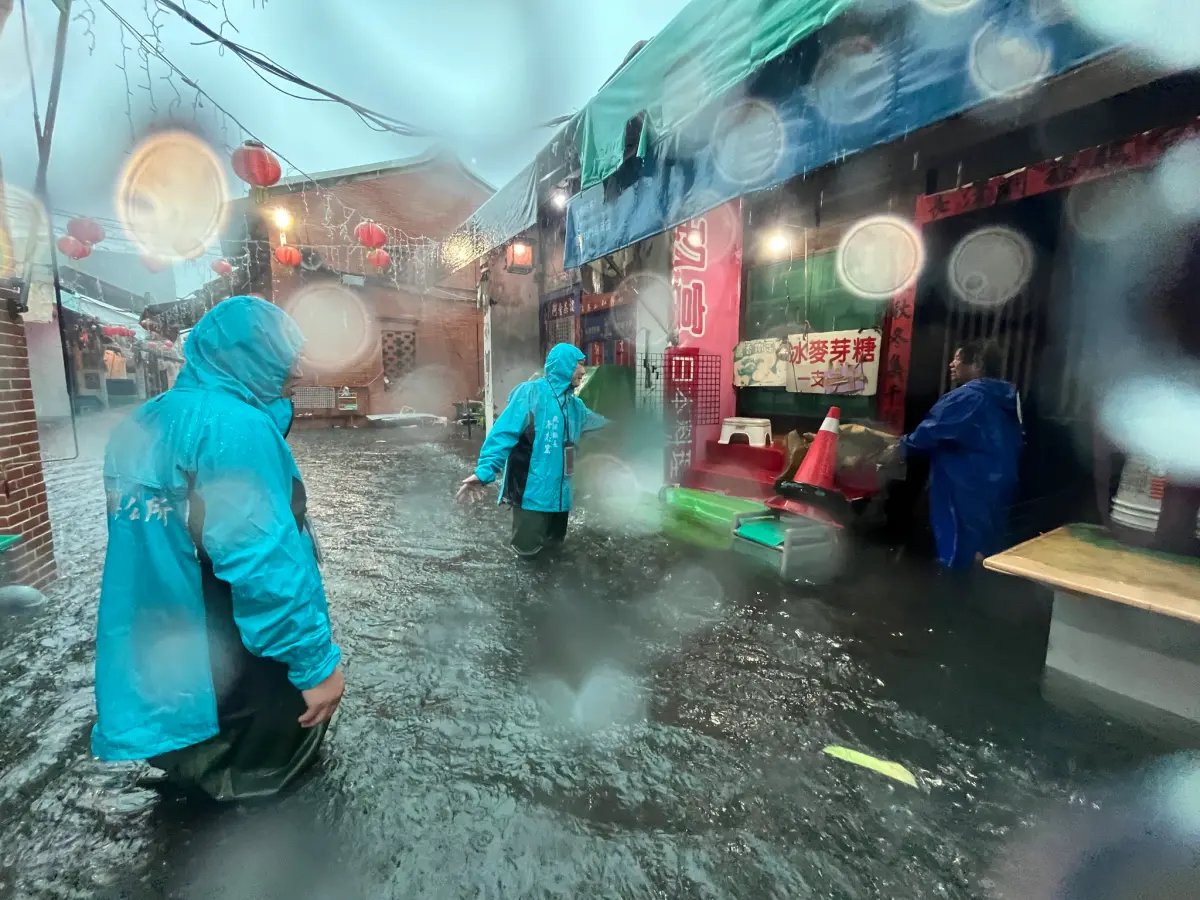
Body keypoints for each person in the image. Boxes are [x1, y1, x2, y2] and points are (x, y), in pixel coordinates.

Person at [93, 295, 344, 802]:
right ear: (250, 356)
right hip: (241, 651)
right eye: (284, 358)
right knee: (267, 795)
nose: (296, 371)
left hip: (170, 651)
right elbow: (262, 560)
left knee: (197, 786)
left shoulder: (142, 422)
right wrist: (316, 665)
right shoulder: (235, 427)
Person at [457, 343, 607, 557]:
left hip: (561, 499)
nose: (583, 371)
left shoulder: (575, 407)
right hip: (531, 496)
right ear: (564, 365)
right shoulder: (531, 394)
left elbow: (603, 425)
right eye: (579, 364)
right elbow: (503, 434)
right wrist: (484, 472)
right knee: (527, 557)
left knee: (555, 553)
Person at [900, 339, 1023, 570]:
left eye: (957, 358)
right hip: (998, 482)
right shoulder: (1008, 396)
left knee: (959, 544)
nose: (951, 364)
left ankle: (954, 585)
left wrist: (896, 447)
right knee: (987, 544)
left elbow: (930, 432)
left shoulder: (967, 396)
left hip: (965, 483)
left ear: (976, 363)